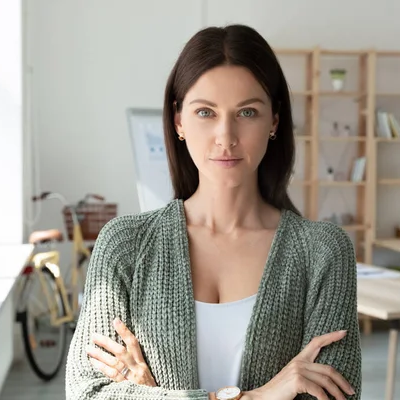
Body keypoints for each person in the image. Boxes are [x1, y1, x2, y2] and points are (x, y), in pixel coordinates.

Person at [65, 24, 362, 400]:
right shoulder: (125, 245)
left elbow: (336, 396)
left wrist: (149, 393)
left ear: (274, 121)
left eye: (248, 112)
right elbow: (88, 393)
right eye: (205, 112)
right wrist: (260, 396)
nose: (226, 136)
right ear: (178, 121)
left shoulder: (323, 252)